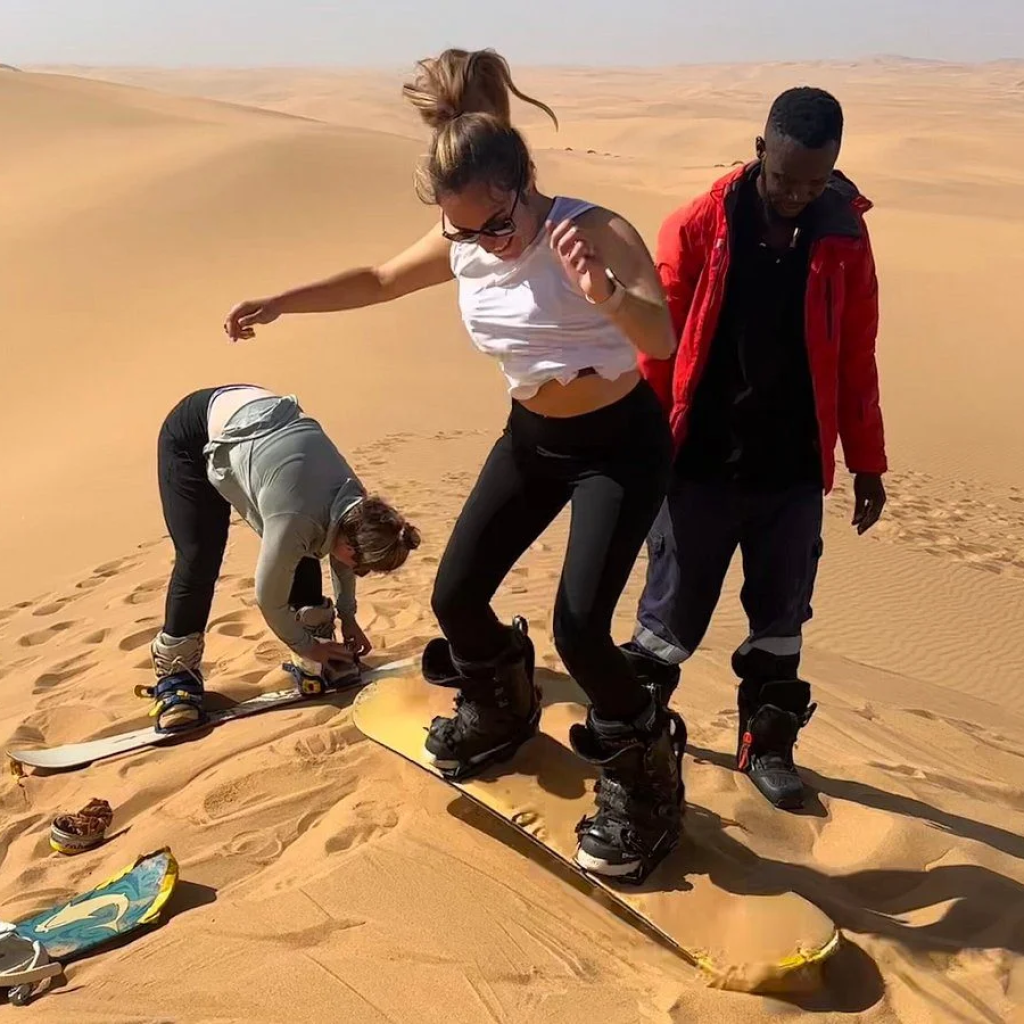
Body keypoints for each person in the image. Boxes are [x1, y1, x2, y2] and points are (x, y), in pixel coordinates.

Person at [223, 48, 685, 884]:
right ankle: (503, 703)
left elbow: (663, 340)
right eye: (462, 230)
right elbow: (378, 278)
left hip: (620, 446)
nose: (483, 245)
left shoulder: (594, 231)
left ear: (523, 183)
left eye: (496, 226)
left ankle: (646, 774)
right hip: (533, 441)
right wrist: (283, 300)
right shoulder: (465, 237)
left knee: (581, 629)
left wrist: (608, 298)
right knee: (455, 595)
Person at [621, 87, 888, 811]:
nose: (799, 195)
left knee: (781, 620)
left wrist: (868, 462)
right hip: (698, 462)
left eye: (815, 181)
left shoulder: (843, 238)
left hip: (792, 467)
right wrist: (640, 451)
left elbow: (856, 355)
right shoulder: (698, 225)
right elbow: (655, 349)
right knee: (668, 620)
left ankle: (765, 748)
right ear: (759, 148)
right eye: (785, 179)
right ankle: (633, 741)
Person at [149, 383, 421, 733]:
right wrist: (305, 645)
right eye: (363, 567)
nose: (360, 572)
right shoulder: (295, 516)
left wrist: (348, 617)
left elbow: (339, 551)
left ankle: (320, 646)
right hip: (193, 434)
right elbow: (268, 598)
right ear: (352, 548)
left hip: (261, 430)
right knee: (200, 555)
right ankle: (176, 679)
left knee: (311, 541)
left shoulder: (357, 506)